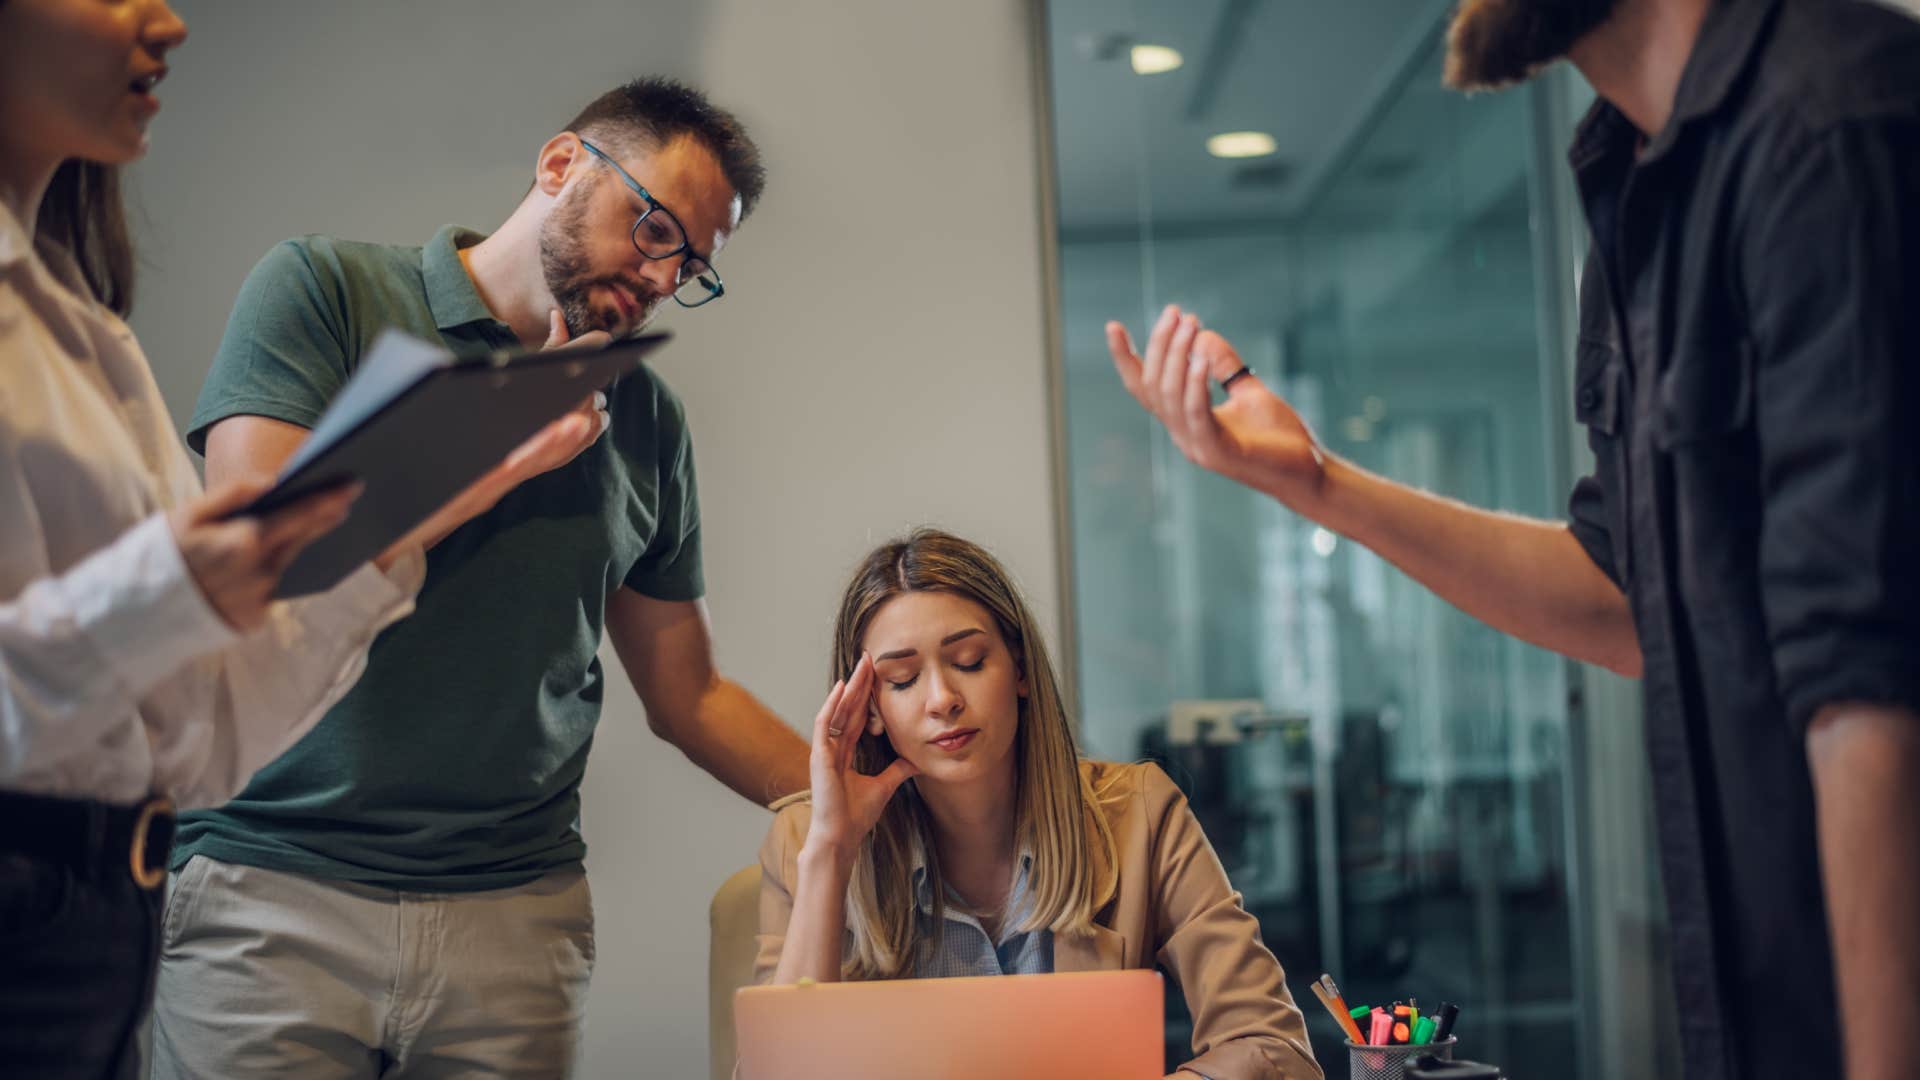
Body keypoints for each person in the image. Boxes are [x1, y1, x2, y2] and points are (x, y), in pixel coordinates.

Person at [1104, 2, 1920, 1078]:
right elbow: (1628, 597)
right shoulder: (1637, 178)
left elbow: (1872, 691)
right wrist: (1318, 486)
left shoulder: (1836, 121)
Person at [150, 76, 812, 1077]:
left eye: (693, 267)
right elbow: (260, 557)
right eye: (656, 228)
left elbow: (691, 696)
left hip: (513, 923)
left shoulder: (646, 418)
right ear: (560, 167)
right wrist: (496, 458)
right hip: (269, 890)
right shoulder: (325, 293)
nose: (663, 276)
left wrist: (871, 800)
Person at [0, 1, 602, 1076]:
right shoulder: (316, 285)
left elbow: (199, 739)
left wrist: (432, 502)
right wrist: (166, 591)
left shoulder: (91, 339)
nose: (170, 22)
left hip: (104, 912)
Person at [755, 529, 1322, 1080]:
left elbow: (1273, 1048)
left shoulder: (1140, 814)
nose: (942, 700)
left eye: (970, 662)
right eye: (902, 680)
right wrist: (830, 852)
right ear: (870, 710)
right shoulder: (802, 842)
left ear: (1020, 669)